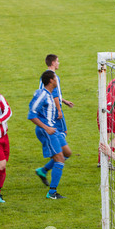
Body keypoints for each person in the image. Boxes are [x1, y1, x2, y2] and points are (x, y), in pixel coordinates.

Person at [28, 71, 67, 199]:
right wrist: (46, 127)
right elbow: (31, 114)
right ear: (51, 80)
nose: (57, 80)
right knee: (60, 159)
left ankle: (43, 171)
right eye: (56, 78)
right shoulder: (42, 95)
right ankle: (52, 193)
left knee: (67, 153)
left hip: (53, 129)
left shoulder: (50, 95)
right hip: (46, 131)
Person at [36, 54, 73, 186]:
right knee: (63, 135)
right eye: (57, 61)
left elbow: (48, 92)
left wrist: (64, 101)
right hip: (53, 112)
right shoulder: (52, 77)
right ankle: (48, 166)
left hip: (48, 111)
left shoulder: (44, 76)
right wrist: (59, 109)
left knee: (63, 141)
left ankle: (45, 169)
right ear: (52, 62)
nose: (59, 63)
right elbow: (54, 95)